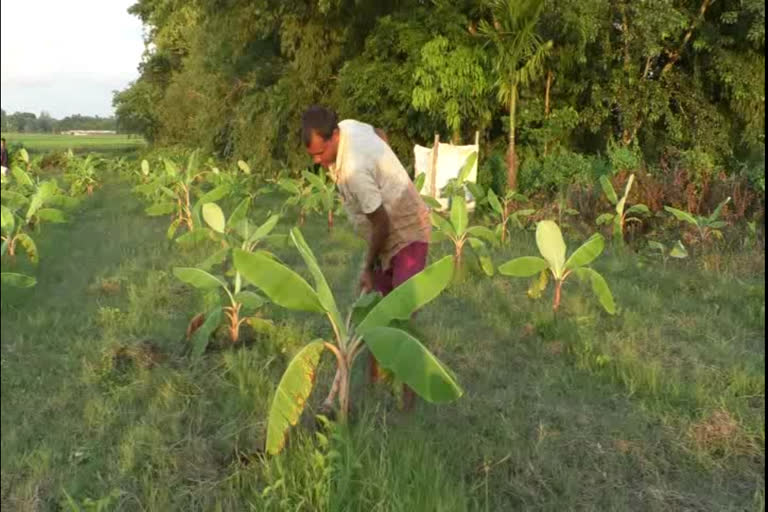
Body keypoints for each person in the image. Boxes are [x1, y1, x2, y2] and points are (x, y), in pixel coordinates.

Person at [302, 106, 431, 410]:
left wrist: (366, 266)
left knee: (401, 317)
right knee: (375, 312)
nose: (317, 161)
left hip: (407, 231)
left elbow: (382, 224)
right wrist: (385, 168)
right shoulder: (348, 126)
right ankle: (375, 386)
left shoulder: (354, 170)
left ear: (334, 136)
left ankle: (408, 407)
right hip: (383, 235)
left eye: (320, 153)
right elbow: (379, 133)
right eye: (313, 156)